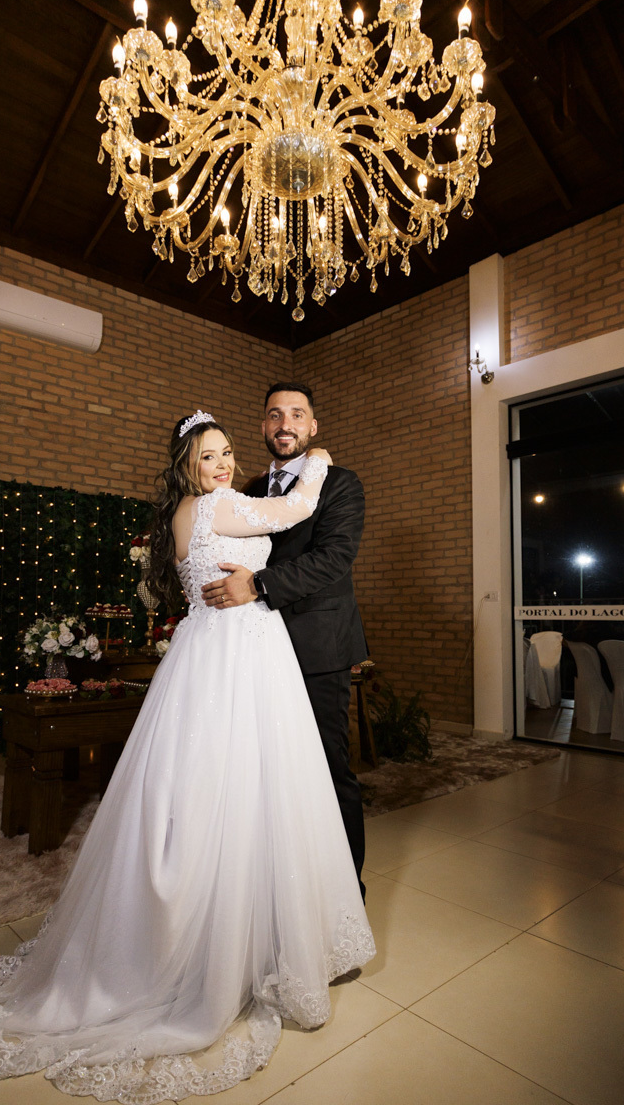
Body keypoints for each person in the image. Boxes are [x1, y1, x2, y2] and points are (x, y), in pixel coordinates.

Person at [0, 411, 374, 1103]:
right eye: (209, 455)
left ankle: (228, 931)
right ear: (189, 465)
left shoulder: (184, 515)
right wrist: (320, 461)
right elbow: (299, 508)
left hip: (209, 653)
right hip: (240, 655)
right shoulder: (219, 505)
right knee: (247, 788)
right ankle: (224, 948)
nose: (223, 463)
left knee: (204, 791)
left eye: (227, 452)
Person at [201, 383, 368, 894]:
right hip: (253, 649)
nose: (285, 424)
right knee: (265, 775)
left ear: (312, 426)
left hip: (318, 647)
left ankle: (346, 897)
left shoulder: (340, 483)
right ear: (263, 426)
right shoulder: (246, 489)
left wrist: (256, 585)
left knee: (326, 770)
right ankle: (280, 891)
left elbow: (334, 558)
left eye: (297, 414)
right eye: (275, 415)